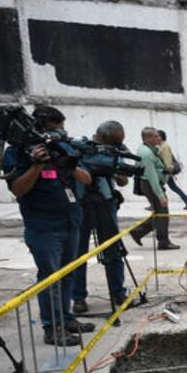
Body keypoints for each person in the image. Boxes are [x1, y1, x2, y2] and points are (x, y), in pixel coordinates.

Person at [2, 105, 95, 348]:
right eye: (55, 130)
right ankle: (52, 328)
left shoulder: (62, 149)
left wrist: (68, 163)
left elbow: (86, 179)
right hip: (44, 226)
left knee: (68, 274)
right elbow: (18, 189)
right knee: (50, 279)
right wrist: (37, 165)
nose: (60, 135)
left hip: (71, 221)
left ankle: (66, 319)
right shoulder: (17, 153)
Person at [72, 121, 130, 315]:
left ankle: (118, 293)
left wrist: (113, 169)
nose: (118, 144)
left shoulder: (113, 151)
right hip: (81, 204)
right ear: (103, 137)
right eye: (115, 141)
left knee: (113, 250)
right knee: (78, 253)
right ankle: (78, 297)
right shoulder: (79, 147)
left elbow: (123, 180)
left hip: (106, 203)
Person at [129, 127, 180, 250]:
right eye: (156, 136)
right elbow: (152, 177)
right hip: (151, 184)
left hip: (151, 183)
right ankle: (163, 241)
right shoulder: (146, 154)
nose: (159, 138)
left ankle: (138, 232)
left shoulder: (149, 149)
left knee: (160, 213)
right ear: (148, 138)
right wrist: (160, 195)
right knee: (162, 214)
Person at [157, 129, 187, 210]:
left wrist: (168, 170)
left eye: (157, 136)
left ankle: (156, 205)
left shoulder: (164, 146)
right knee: (172, 187)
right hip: (166, 171)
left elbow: (167, 159)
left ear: (161, 137)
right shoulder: (161, 146)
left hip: (166, 171)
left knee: (158, 187)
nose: (155, 137)